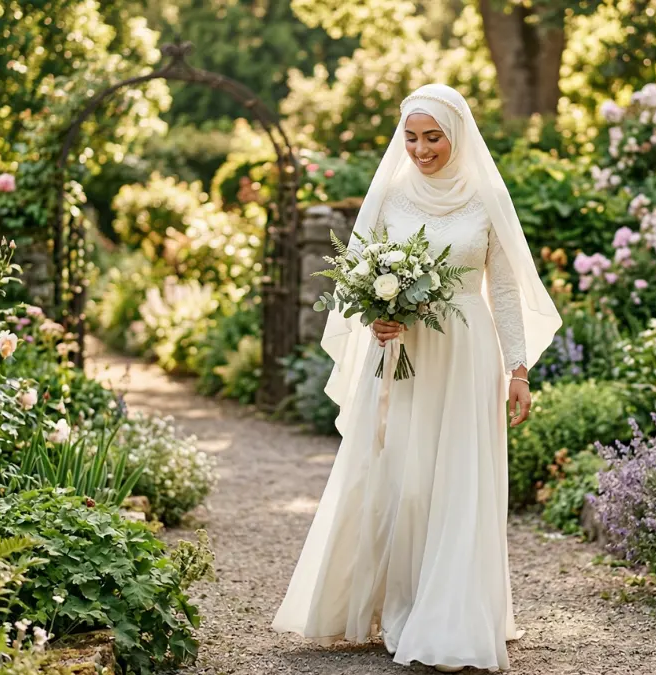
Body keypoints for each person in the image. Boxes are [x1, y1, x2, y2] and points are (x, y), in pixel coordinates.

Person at [272, 83, 561, 672]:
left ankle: (451, 617)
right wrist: (377, 315)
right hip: (401, 356)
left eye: (433, 137)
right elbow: (358, 271)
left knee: (458, 480)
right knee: (404, 482)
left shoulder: (484, 199)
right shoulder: (390, 197)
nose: (421, 149)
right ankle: (396, 605)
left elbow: (503, 289)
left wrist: (518, 369)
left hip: (467, 354)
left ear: (457, 136)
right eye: (411, 136)